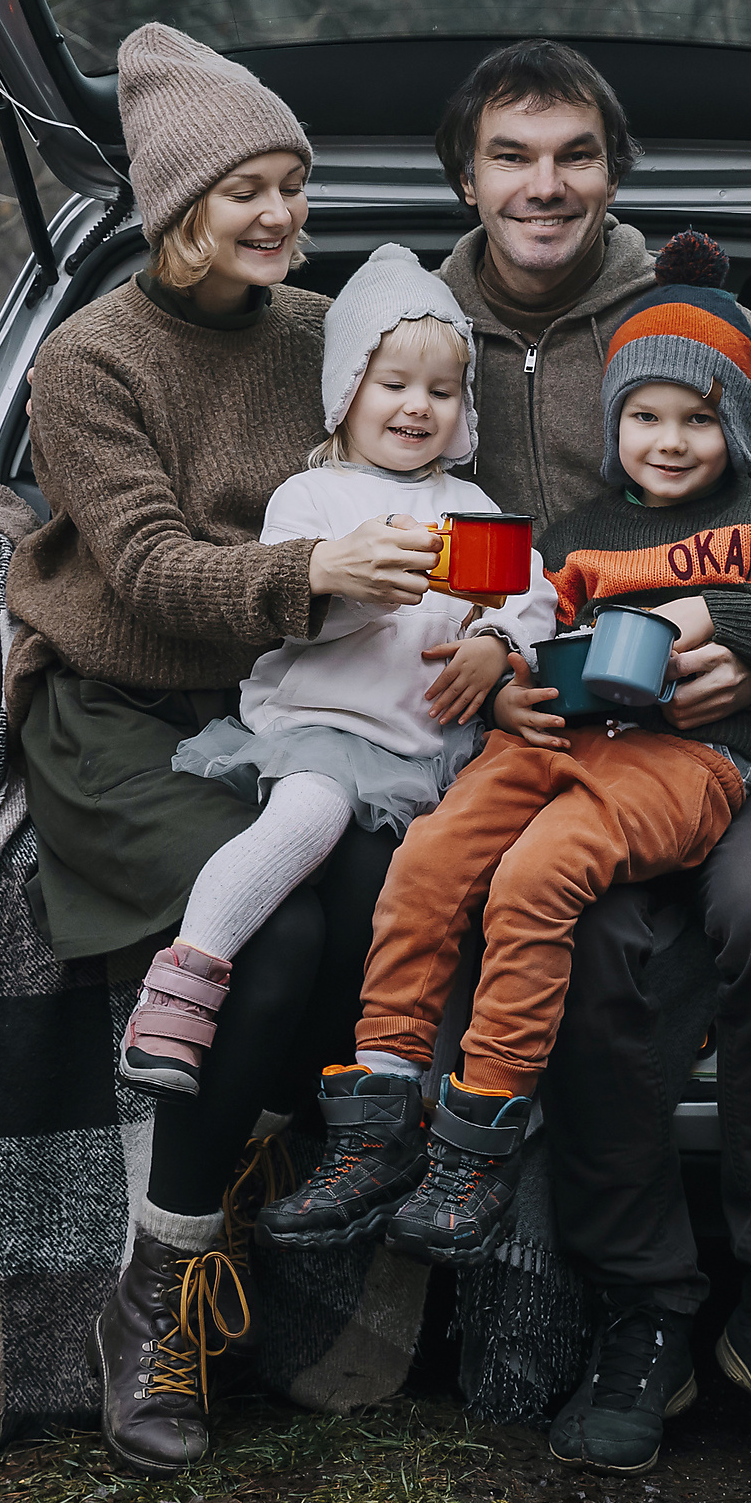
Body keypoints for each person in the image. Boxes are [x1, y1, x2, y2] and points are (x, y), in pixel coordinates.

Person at [434, 41, 751, 1499]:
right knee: (580, 944)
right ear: (469, 177)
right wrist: (495, 689)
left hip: (739, 754)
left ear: (613, 172)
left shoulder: (703, 334)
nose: (544, 183)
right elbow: (370, 553)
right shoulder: (406, 334)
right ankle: (647, 1311)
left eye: (572, 153)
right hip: (556, 753)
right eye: (514, 155)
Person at [0, 24, 443, 1476]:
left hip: (296, 705)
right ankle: (157, 1299)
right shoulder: (90, 361)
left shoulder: (326, 336)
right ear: (176, 205)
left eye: (293, 188)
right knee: (284, 938)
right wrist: (314, 574)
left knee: (384, 907)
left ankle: (318, 1265)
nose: (279, 217)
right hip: (126, 713)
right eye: (247, 189)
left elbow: (447, 435)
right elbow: (144, 569)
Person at [258, 236, 751, 1277]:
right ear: (612, 424)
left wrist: (718, 620)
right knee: (431, 860)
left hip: (689, 758)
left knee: (536, 877)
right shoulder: (579, 534)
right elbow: (524, 618)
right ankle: (377, 1109)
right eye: (645, 417)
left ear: (740, 425)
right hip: (557, 732)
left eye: (700, 419)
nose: (670, 442)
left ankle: (477, 1139)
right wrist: (505, 670)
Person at [119, 244, 557, 1096]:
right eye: (392, 384)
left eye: (441, 390)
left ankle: (393, 1093)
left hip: (426, 752)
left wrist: (498, 643)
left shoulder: (472, 509)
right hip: (323, 729)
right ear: (346, 390)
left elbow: (530, 593)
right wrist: (364, 588)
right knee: (305, 826)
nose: (417, 408)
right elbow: (291, 606)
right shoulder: (311, 499)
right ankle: (181, 987)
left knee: (431, 895)